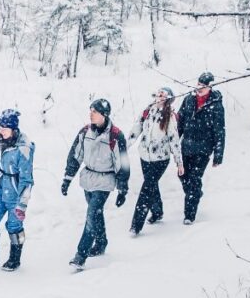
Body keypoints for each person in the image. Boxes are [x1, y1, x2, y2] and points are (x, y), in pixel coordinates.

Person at [62, 99, 130, 270]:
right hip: (88, 179)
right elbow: (75, 156)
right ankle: (101, 242)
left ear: (104, 115)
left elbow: (123, 163)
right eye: (90, 110)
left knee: (91, 215)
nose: (91, 114)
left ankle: (80, 255)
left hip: (105, 181)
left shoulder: (115, 135)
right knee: (96, 214)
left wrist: (122, 189)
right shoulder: (85, 132)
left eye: (95, 111)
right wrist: (67, 179)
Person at [0, 109, 35, 271]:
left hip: (16, 192)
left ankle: (15, 259)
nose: (0, 131)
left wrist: (22, 205)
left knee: (14, 227)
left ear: (13, 129)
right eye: (0, 128)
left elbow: (27, 179)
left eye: (4, 129)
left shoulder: (24, 149)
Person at [128, 86, 184, 236]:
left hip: (160, 159)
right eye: (158, 94)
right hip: (145, 156)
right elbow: (136, 129)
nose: (159, 97)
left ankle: (136, 225)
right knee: (151, 185)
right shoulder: (147, 111)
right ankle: (158, 212)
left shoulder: (170, 116)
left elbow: (174, 139)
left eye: (162, 95)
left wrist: (179, 162)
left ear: (168, 99)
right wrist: (124, 146)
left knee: (147, 188)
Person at [177, 72, 225, 224]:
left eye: (203, 86)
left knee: (194, 180)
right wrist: (173, 142)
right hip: (186, 147)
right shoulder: (188, 100)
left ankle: (189, 215)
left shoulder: (215, 104)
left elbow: (219, 130)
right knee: (182, 176)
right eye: (198, 84)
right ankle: (196, 193)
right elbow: (179, 122)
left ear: (210, 86)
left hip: (203, 149)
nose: (200, 88)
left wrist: (218, 155)